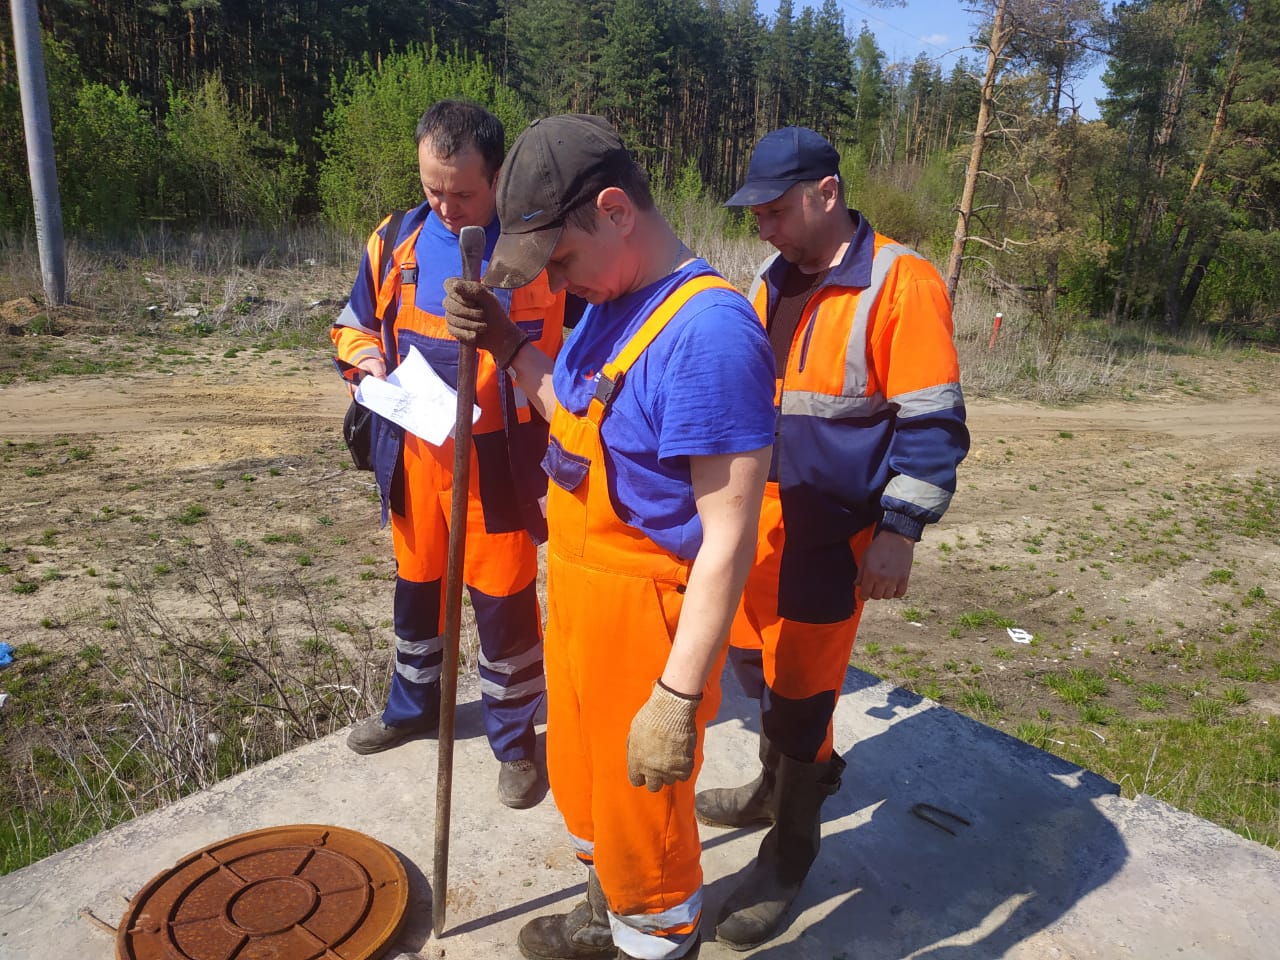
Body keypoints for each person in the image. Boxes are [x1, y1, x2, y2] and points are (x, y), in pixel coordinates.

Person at [442, 114, 776, 960]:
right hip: (584, 603)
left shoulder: (709, 337)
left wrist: (677, 696)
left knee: (647, 836)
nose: (554, 282)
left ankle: (656, 941)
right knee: (589, 795)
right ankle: (603, 916)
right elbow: (580, 412)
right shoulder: (609, 303)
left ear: (617, 210)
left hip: (648, 630)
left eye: (559, 260)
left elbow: (728, 537)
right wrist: (511, 344)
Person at [695, 126, 970, 949]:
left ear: (826, 192)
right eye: (756, 215)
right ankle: (773, 789)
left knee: (807, 694)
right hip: (757, 531)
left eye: (777, 210)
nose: (765, 228)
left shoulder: (901, 282)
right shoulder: (768, 281)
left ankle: (790, 852)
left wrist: (901, 531)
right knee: (759, 675)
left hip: (833, 537)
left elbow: (932, 421)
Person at [331, 100, 566, 810]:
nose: (443, 202)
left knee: (503, 610)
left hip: (497, 464)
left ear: (497, 178)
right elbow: (353, 325)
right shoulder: (395, 241)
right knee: (417, 591)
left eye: (461, 191)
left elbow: (576, 358)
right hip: (412, 454)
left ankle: (516, 741)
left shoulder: (537, 254)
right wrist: (369, 369)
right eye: (433, 185)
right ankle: (412, 708)